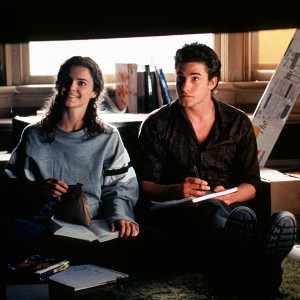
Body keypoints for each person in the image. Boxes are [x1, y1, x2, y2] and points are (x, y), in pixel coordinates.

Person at [135, 43, 297, 297]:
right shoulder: (156, 124)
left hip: (230, 209)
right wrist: (177, 189)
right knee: (216, 214)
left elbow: (252, 183)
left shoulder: (237, 122)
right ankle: (265, 260)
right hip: (179, 213)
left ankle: (253, 261)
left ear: (212, 82)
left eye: (194, 78)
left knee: (225, 212)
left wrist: (230, 196)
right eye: (180, 77)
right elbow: (144, 184)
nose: (184, 86)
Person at [0, 56, 139, 277]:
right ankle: (78, 260)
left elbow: (120, 187)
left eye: (82, 83)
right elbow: (11, 188)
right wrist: (40, 190)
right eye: (66, 80)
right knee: (8, 229)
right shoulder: (33, 135)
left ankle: (69, 260)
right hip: (46, 228)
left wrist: (120, 215)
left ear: (95, 91)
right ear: (58, 85)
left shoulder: (109, 136)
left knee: (152, 236)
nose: (71, 88)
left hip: (95, 227)